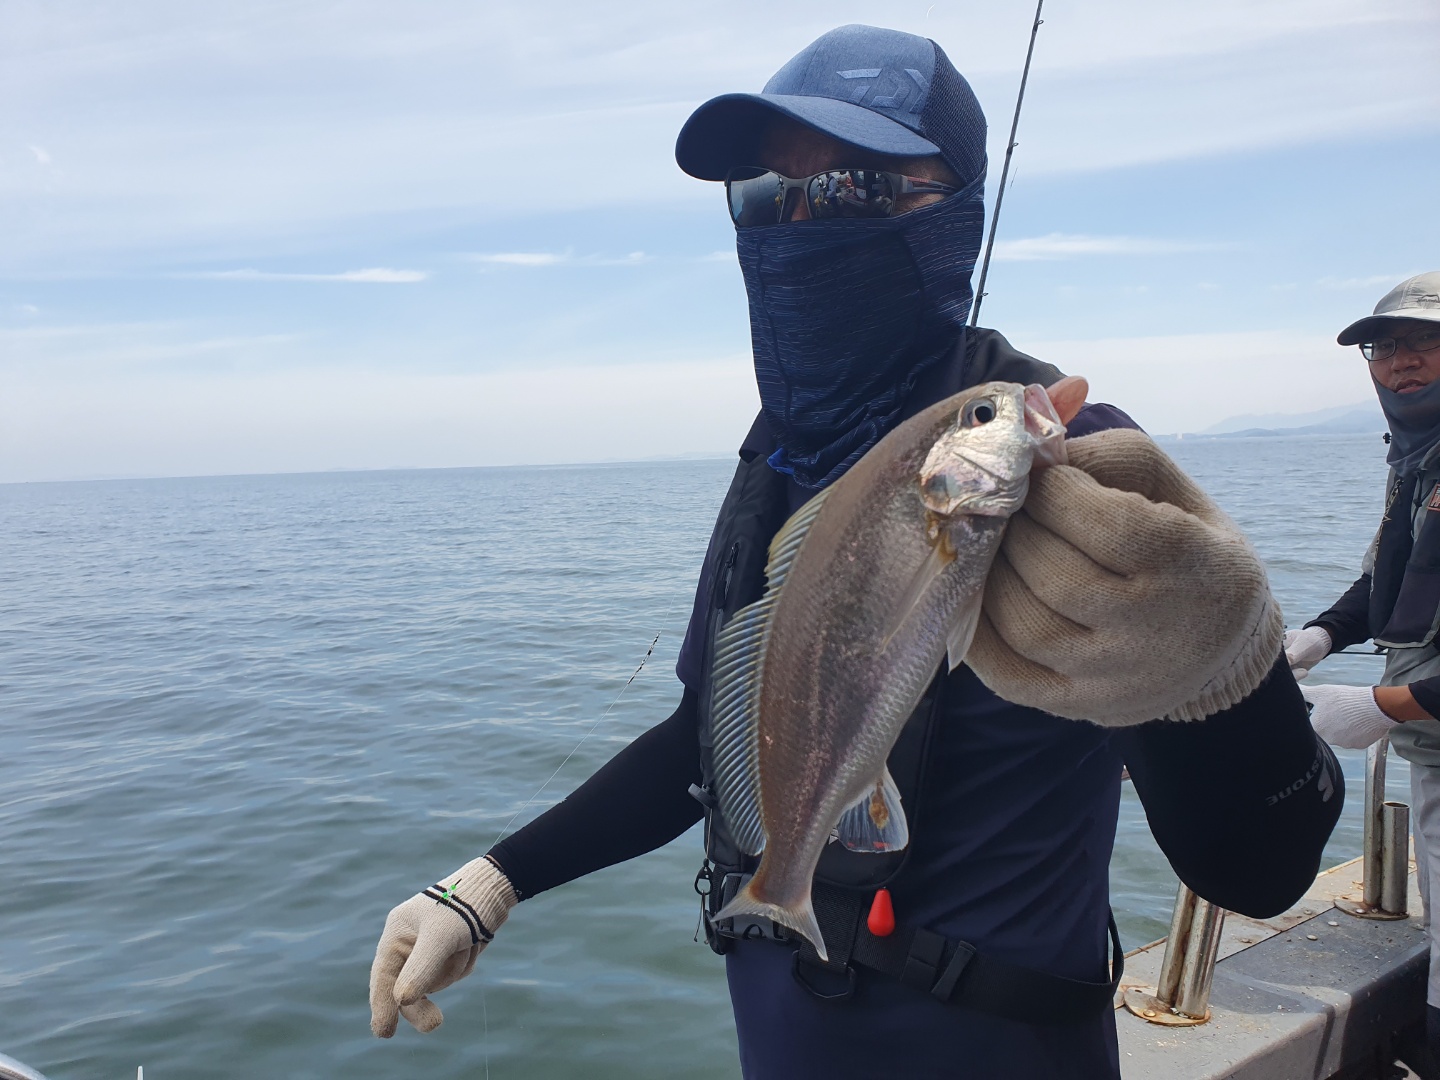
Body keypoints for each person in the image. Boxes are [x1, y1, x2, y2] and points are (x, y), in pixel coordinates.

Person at [369, 26, 1343, 1078]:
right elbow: (707, 740)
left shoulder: (1072, 467)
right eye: (766, 195)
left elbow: (1261, 871)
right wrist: (488, 885)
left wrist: (1222, 665)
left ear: (953, 213)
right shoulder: (776, 464)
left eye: (850, 188)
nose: (797, 222)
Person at [1283, 270, 1440, 1071]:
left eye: (1426, 341)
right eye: (1385, 346)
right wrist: (1318, 636)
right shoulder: (1415, 459)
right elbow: (1389, 578)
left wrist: (1389, 703)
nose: (1402, 361)